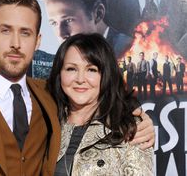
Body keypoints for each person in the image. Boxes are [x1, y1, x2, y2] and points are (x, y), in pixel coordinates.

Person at [0, 0, 154, 176]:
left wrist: (141, 122)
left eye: (25, 32)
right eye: (5, 30)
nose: (15, 43)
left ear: (38, 40)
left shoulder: (48, 95)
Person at [47, 33, 153, 175]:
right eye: (71, 69)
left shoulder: (128, 127)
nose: (80, 79)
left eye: (91, 70)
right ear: (59, 73)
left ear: (106, 75)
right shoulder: (46, 122)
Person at [41, 0, 132, 58]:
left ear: (98, 14)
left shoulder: (131, 49)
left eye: (68, 20)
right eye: (54, 23)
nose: (60, 34)